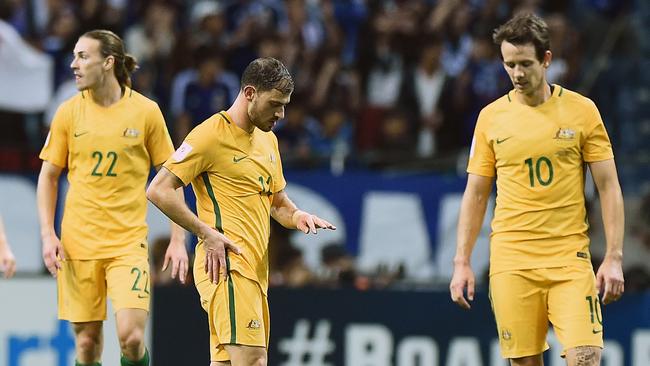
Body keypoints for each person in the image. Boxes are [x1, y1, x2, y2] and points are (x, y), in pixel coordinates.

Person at [449, 13, 625, 366]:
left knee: (587, 358)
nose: (517, 73)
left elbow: (608, 186)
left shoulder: (582, 111)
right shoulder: (490, 118)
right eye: (509, 64)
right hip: (511, 261)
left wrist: (614, 256)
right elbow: (476, 194)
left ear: (546, 59)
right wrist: (462, 261)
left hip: (569, 260)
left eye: (525, 64)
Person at [146, 57, 336, 366]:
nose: (281, 114)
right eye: (275, 103)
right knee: (252, 361)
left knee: (227, 363)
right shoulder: (208, 136)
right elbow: (158, 189)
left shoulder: (268, 140)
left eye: (285, 105)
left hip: (255, 271)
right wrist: (204, 233)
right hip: (228, 267)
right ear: (249, 93)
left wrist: (298, 215)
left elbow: (277, 202)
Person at [37, 30, 189, 366]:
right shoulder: (68, 113)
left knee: (132, 338)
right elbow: (48, 176)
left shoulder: (146, 112)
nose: (74, 65)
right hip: (79, 244)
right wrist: (48, 235)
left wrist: (179, 239)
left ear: (108, 63)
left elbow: (173, 177)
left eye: (83, 57)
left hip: (127, 244)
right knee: (88, 344)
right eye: (74, 56)